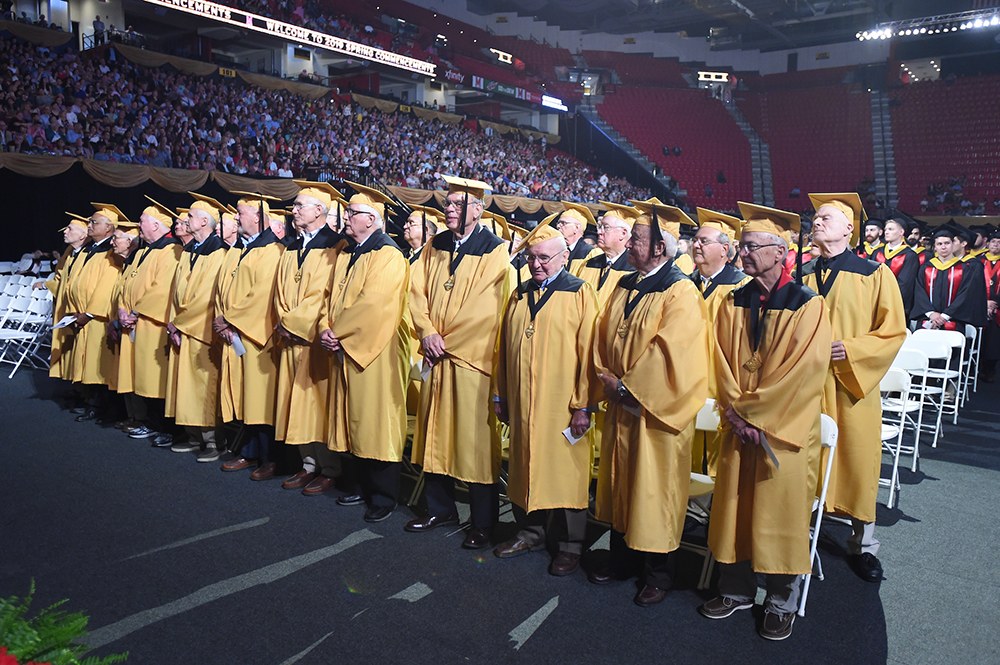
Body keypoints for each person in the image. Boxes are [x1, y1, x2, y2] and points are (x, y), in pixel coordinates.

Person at [700, 202, 831, 641]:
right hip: (741, 427)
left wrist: (755, 415)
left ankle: (780, 600)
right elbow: (719, 359)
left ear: (780, 251)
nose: (743, 254)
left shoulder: (808, 304)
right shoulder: (731, 299)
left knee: (781, 513)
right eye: (741, 246)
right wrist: (736, 413)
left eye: (752, 247)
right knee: (735, 510)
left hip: (785, 430)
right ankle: (735, 590)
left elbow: (805, 371)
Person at [589, 199, 709, 606]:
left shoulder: (681, 291)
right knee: (623, 485)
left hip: (656, 411)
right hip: (622, 405)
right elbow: (602, 333)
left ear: (659, 247)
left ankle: (658, 573)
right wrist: (606, 375)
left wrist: (626, 387)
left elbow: (673, 351)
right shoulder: (625, 283)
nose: (632, 244)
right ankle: (622, 562)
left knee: (655, 490)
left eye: (637, 237)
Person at [802, 192, 906, 583]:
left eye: (826, 217)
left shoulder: (874, 274)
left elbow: (893, 331)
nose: (816, 222)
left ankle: (862, 545)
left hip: (852, 385)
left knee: (857, 462)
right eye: (814, 218)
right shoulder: (802, 274)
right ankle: (800, 529)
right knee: (807, 458)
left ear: (849, 227)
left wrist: (851, 349)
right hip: (808, 386)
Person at [406, 176, 512, 550]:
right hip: (437, 355)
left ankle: (483, 523)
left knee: (474, 442)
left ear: (477, 209)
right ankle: (441, 508)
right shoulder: (435, 245)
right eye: (446, 203)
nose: (447, 208)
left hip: (470, 360)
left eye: (455, 203)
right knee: (434, 432)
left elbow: (487, 310)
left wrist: (443, 339)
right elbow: (414, 291)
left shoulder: (495, 250)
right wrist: (426, 330)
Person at [493, 224, 600, 576]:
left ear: (564, 257)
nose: (536, 264)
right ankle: (529, 531)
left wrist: (583, 405)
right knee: (525, 464)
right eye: (530, 258)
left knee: (565, 473)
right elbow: (502, 350)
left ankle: (570, 546)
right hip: (523, 402)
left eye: (544, 258)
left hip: (562, 405)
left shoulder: (580, 292)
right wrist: (501, 394)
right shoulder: (520, 293)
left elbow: (590, 353)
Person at [320, 182, 410, 522]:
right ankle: (360, 485)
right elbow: (330, 297)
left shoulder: (388, 255)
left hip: (374, 351)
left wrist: (338, 334)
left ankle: (384, 496)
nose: (346, 218)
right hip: (345, 345)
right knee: (353, 419)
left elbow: (374, 305)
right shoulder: (348, 252)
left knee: (375, 422)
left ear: (371, 219)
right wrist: (325, 328)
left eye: (352, 213)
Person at [268, 183, 343, 490]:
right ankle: (307, 463)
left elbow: (323, 296)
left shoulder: (336, 247)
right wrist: (285, 320)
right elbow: (280, 291)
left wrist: (294, 323)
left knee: (317, 405)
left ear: (319, 211)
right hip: (291, 338)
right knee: (293, 402)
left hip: (314, 340)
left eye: (300, 205)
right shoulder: (292, 246)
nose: (294, 210)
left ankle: (330, 468)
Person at [215, 192, 285, 471]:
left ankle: (269, 457)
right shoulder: (239, 249)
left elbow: (262, 294)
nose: (235, 217)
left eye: (240, 213)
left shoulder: (273, 250)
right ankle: (250, 450)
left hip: (258, 335)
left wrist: (229, 319)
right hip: (236, 331)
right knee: (246, 395)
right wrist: (223, 319)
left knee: (261, 398)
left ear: (257, 216)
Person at [163, 194, 229, 460]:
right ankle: (192, 436)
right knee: (185, 385)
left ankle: (213, 441)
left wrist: (179, 323)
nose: (184, 220)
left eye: (190, 216)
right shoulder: (189, 249)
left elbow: (207, 296)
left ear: (204, 221)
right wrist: (171, 321)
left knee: (204, 385)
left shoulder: (218, 251)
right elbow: (175, 290)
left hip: (201, 330)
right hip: (181, 326)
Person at [116, 200, 184, 443]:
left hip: (153, 323)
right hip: (135, 323)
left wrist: (135, 312)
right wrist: (122, 309)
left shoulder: (171, 250)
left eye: (142, 221)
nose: (138, 225)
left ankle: (164, 427)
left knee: (156, 377)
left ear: (156, 225)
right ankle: (148, 422)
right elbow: (125, 283)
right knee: (142, 376)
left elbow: (162, 288)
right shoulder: (143, 252)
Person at [690, 207, 750, 476]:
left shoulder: (743, 288)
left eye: (704, 241)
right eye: (695, 240)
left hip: (720, 383)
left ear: (725, 250)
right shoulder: (681, 285)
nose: (696, 245)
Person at [65, 203, 123, 422]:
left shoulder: (111, 251)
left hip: (98, 316)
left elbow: (107, 285)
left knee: (100, 362)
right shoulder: (91, 249)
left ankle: (101, 406)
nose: (89, 225)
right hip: (83, 313)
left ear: (108, 228)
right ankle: (90, 400)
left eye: (94, 222)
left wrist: (88, 313)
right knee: (87, 361)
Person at [42, 215, 90, 384]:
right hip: (66, 306)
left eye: (70, 228)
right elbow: (62, 279)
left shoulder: (90, 255)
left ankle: (83, 391)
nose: (65, 231)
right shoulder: (70, 252)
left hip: (82, 311)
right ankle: (74, 386)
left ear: (83, 235)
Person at [913, 224, 988, 331]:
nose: (943, 247)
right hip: (928, 320)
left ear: (953, 244)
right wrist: (931, 313)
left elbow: (965, 294)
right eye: (939, 244)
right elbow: (919, 292)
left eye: (947, 243)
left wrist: (945, 316)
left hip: (955, 321)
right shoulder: (926, 268)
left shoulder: (964, 269)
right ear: (935, 247)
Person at [581, 201, 637, 310]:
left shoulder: (634, 269)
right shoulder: (589, 263)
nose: (599, 232)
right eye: (600, 227)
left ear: (623, 234)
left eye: (606, 227)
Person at [871, 216, 921, 321]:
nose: (886, 232)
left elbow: (905, 284)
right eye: (885, 229)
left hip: (896, 306)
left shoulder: (910, 255)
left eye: (891, 229)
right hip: (873, 304)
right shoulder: (877, 252)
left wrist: (887, 302)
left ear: (901, 232)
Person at [979, 230, 1000, 382]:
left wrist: (994, 303)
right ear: (988, 244)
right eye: (993, 242)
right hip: (979, 306)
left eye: (999, 243)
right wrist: (983, 302)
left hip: (997, 309)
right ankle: (976, 368)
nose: (996, 245)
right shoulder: (978, 261)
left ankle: (990, 370)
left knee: (994, 341)